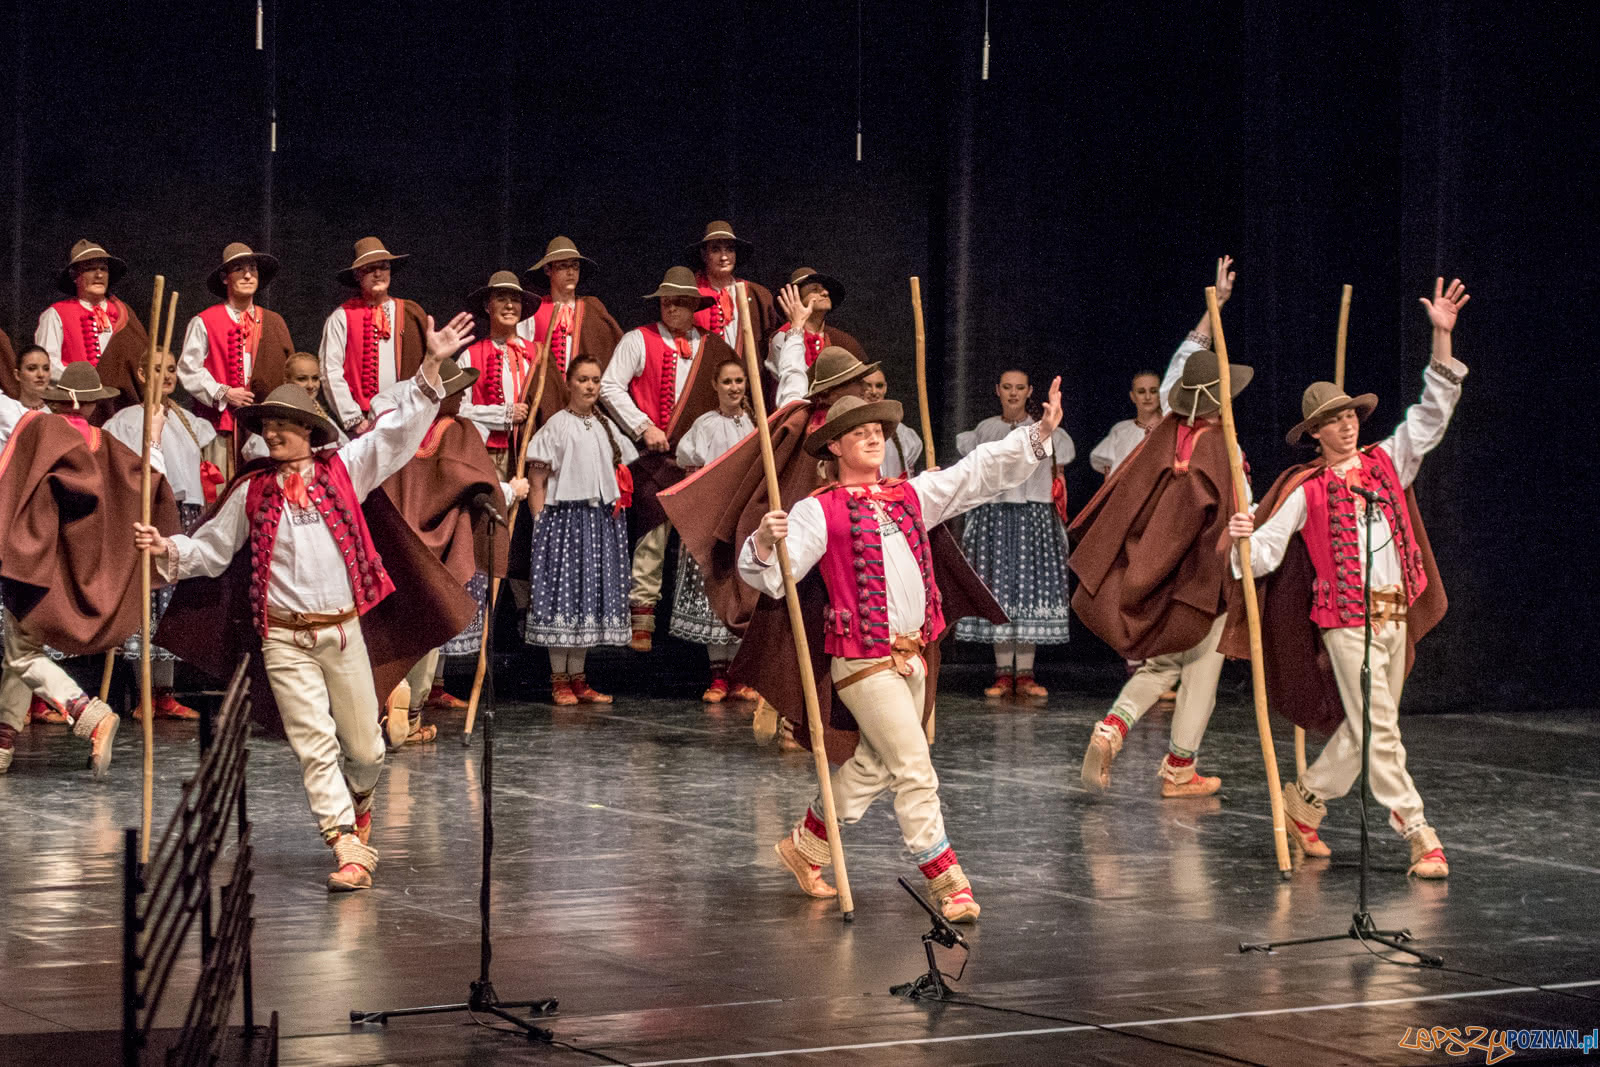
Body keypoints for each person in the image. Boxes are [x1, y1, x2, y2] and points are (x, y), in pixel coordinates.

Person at [134, 312, 472, 892]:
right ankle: (345, 844)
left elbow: (395, 436)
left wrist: (430, 367)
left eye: (285, 424)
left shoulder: (345, 470)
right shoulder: (252, 490)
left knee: (366, 750)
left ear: (310, 431)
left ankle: (360, 799)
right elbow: (210, 551)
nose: (274, 433)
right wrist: (165, 547)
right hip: (283, 639)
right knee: (314, 746)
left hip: (342, 634)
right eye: (268, 424)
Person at [742, 381, 1065, 921]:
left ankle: (805, 845)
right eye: (860, 434)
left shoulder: (909, 495)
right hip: (863, 660)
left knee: (875, 765)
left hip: (913, 655)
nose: (874, 439)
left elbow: (976, 472)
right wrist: (762, 542)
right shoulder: (818, 511)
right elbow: (777, 579)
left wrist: (1038, 434)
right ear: (835, 446)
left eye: (878, 431)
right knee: (915, 768)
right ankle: (948, 883)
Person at [1226, 278, 1469, 880]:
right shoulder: (1307, 491)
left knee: (1365, 731)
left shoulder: (1387, 462)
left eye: (1349, 416)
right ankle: (1418, 831)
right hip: (1345, 623)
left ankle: (1304, 803)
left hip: (1392, 613)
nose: (1346, 426)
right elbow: (1260, 558)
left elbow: (1431, 416)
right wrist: (1242, 537)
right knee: (1380, 728)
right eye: (1332, 421)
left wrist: (1441, 340)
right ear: (1315, 433)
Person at [1069, 348, 1253, 798]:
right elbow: (1228, 511)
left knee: (1163, 663)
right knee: (1201, 673)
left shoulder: (1168, 435)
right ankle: (1179, 771)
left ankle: (1112, 727)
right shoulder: (1218, 445)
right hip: (1203, 578)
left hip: (1164, 572)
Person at [0, 363, 180, 776]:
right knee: (21, 651)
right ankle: (4, 740)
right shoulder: (108, 445)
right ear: (94, 405)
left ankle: (87, 713)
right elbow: (148, 483)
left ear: (58, 401)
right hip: (76, 568)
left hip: (40, 564)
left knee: (22, 653)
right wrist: (153, 438)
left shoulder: (42, 429)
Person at [372, 358, 527, 744]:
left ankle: (387, 695)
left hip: (396, 541)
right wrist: (512, 491)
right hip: (435, 550)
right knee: (429, 625)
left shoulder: (402, 426)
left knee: (394, 625)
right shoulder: (457, 431)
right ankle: (410, 715)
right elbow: (475, 483)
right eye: (457, 391)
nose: (463, 398)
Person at [598, 266, 730, 651]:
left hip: (700, 463)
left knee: (702, 543)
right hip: (656, 459)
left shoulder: (715, 348)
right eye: (666, 302)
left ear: (693, 306)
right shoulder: (639, 340)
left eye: (679, 302)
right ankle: (642, 618)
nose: (671, 308)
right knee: (652, 537)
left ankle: (704, 622)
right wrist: (643, 427)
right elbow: (609, 386)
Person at [104, 347, 217, 720]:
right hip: (149, 517)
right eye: (156, 369)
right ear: (141, 374)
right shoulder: (127, 421)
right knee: (145, 604)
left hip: (184, 519)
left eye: (170, 369)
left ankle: (165, 693)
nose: (166, 376)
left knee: (170, 607)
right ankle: (144, 694)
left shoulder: (186, 420)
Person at [953, 369, 1076, 700]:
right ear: (997, 390)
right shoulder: (986, 430)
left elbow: (1059, 470)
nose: (1013, 393)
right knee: (1000, 594)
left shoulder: (1047, 430)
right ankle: (1003, 673)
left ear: (1029, 391)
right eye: (1007, 387)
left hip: (1034, 515)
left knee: (1029, 594)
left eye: (1019, 388)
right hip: (995, 515)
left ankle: (1025, 673)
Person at [523, 354, 636, 705]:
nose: (590, 386)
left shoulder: (604, 425)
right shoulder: (557, 425)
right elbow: (537, 481)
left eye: (595, 380)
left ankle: (579, 678)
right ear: (569, 383)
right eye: (583, 379)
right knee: (564, 597)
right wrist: (540, 524)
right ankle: (559, 679)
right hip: (565, 522)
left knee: (587, 597)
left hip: (598, 521)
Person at [668, 356, 761, 703]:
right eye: (727, 382)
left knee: (742, 591)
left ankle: (738, 674)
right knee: (716, 592)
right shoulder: (705, 426)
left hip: (744, 522)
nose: (734, 388)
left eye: (739, 381)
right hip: (714, 519)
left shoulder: (755, 424)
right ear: (715, 386)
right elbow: (691, 471)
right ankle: (718, 675)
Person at [176, 243, 295, 471]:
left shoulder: (274, 321)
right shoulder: (205, 321)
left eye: (253, 269)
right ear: (225, 277)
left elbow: (290, 370)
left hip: (265, 426)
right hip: (220, 425)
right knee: (222, 482)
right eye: (239, 269)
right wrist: (224, 392)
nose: (248, 275)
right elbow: (188, 369)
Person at [319, 237, 428, 436]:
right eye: (369, 269)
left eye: (383, 267)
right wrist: (354, 420)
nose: (378, 274)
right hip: (365, 422)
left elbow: (428, 363)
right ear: (357, 275)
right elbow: (330, 371)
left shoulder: (410, 313)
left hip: (406, 417)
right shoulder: (342, 317)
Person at [518, 237, 624, 427]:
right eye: (563, 266)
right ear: (548, 270)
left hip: (587, 408)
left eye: (575, 266)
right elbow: (520, 358)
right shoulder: (535, 311)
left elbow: (613, 353)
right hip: (545, 407)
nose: (570, 272)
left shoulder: (593, 309)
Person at [34, 239, 149, 413]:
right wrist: (85, 385)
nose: (99, 275)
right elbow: (47, 364)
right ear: (75, 276)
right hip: (76, 405)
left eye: (103, 269)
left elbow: (142, 358)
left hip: (120, 406)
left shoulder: (123, 313)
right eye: (90, 269)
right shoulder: (56, 314)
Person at [457, 271, 536, 466]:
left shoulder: (537, 353)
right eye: (501, 299)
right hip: (489, 453)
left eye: (515, 300)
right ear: (487, 306)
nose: (509, 305)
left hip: (533, 451)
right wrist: (504, 415)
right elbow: (457, 409)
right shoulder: (471, 356)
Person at [765, 268, 867, 406]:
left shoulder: (840, 340)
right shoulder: (783, 338)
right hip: (799, 410)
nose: (825, 293)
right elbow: (793, 382)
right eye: (815, 289)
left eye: (824, 289)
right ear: (796, 298)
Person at [686, 221, 776, 351]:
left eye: (730, 250)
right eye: (715, 250)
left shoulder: (757, 294)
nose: (724, 257)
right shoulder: (691, 294)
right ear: (704, 255)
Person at [1089, 370, 1162, 476]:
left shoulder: (1170, 428)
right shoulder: (1120, 430)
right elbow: (1109, 478)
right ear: (1133, 396)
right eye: (1141, 392)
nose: (1147, 397)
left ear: (1161, 394)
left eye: (1153, 391)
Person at [860, 367, 922, 478]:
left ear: (885, 388)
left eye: (879, 386)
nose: (874, 392)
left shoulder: (903, 433)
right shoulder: (851, 430)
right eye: (868, 386)